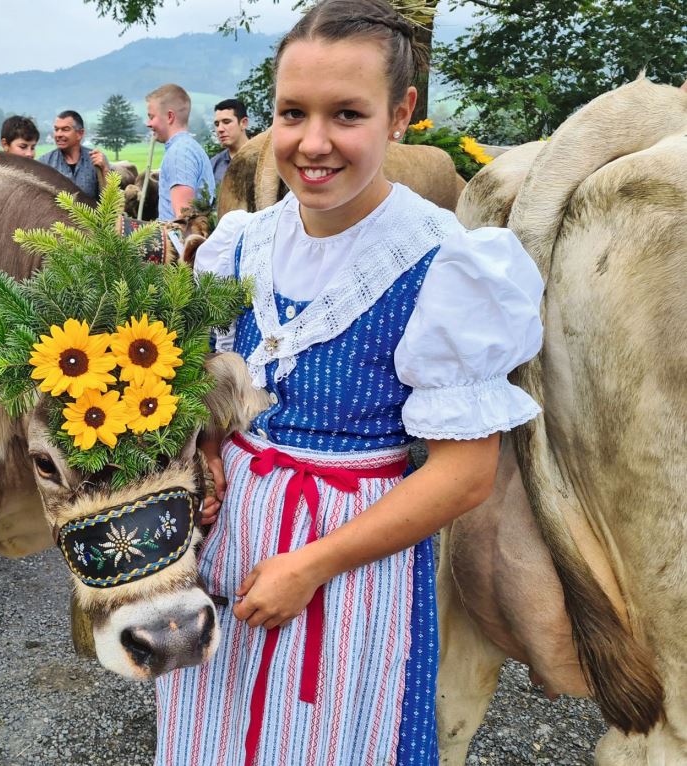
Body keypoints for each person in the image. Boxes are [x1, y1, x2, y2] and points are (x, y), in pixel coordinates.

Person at [155, 2, 544, 765]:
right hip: (224, 548)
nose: (314, 141)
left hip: (350, 573)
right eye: (293, 113)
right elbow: (209, 384)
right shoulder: (241, 245)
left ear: (400, 114)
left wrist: (310, 565)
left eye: (347, 113)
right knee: (214, 736)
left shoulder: (441, 263)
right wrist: (202, 449)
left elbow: (464, 477)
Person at [145, 84, 215, 220]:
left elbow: (184, 220)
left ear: (170, 116)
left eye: (152, 117)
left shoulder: (179, 154)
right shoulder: (190, 147)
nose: (148, 123)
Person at [39, 110, 109, 201]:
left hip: (90, 215)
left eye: (65, 129)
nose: (59, 134)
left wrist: (105, 170)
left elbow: (110, 202)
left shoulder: (96, 160)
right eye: (56, 129)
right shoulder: (44, 163)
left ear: (80, 133)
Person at [211, 98, 251, 188]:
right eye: (217, 124)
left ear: (244, 123)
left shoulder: (264, 158)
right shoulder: (214, 165)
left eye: (226, 122)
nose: (220, 129)